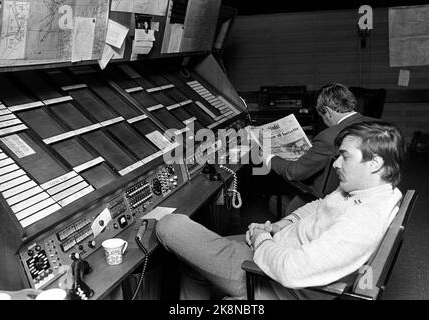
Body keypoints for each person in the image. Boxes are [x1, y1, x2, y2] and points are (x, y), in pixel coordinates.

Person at [155, 121, 405, 300]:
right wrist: (278, 226)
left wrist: (262, 238)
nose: (336, 164)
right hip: (273, 247)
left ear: (374, 163)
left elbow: (291, 270)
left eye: (345, 157)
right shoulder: (375, 191)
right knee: (190, 263)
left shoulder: (362, 221)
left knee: (169, 225)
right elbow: (321, 204)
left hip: (264, 276)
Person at [264, 83, 375, 214]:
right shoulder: (377, 125)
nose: (324, 122)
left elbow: (293, 172)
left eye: (322, 117)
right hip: (367, 194)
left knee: (275, 201)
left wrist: (270, 158)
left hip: (327, 198)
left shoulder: (328, 137)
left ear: (327, 111)